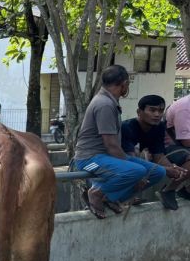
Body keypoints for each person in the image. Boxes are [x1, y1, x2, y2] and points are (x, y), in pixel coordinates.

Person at [73, 65, 171, 219]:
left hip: (106, 157)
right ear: (124, 84)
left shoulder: (110, 102)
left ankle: (111, 197)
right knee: (137, 171)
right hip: (88, 159)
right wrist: (133, 170)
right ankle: (96, 193)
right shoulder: (104, 104)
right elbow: (111, 145)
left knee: (157, 172)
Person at [121, 94, 190, 210]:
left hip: (133, 160)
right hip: (108, 159)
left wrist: (173, 168)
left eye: (160, 110)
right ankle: (122, 196)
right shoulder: (127, 127)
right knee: (139, 167)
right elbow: (130, 159)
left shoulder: (158, 127)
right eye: (152, 110)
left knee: (157, 171)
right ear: (139, 112)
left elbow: (159, 156)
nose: (157, 114)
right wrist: (166, 169)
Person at [164, 94, 190, 201]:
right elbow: (187, 142)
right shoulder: (184, 108)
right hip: (169, 146)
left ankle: (187, 190)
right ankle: (169, 190)